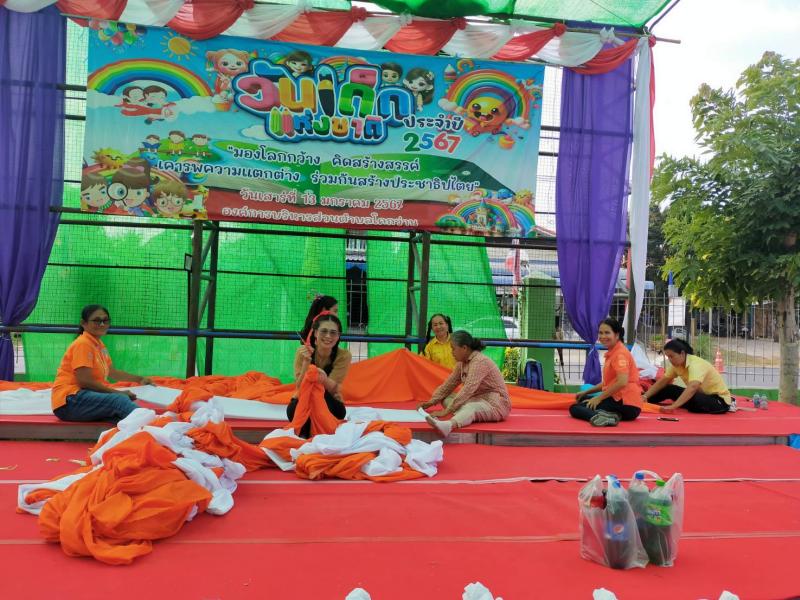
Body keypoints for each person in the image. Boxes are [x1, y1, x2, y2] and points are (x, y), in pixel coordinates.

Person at [51, 305, 153, 423]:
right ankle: (154, 423)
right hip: (69, 401)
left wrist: (140, 379)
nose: (102, 324)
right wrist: (118, 393)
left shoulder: (99, 345)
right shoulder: (83, 344)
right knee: (118, 401)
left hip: (80, 399)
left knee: (120, 418)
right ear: (83, 323)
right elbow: (84, 381)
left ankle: (148, 425)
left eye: (105, 320)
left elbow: (112, 372)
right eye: (97, 320)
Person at [420, 330, 510, 437]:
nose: (451, 352)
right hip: (475, 399)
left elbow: (468, 389)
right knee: (446, 397)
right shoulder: (461, 363)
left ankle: (448, 425)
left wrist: (446, 411)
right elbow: (448, 385)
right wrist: (430, 402)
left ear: (464, 348)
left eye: (453, 349)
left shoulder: (479, 362)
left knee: (470, 408)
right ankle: (464, 414)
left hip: (494, 404)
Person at [570, 318, 643, 427]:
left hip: (626, 404)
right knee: (583, 399)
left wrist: (599, 398)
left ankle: (600, 417)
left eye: (607, 333)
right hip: (623, 403)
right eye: (600, 333)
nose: (603, 336)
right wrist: (586, 392)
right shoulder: (613, 352)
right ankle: (611, 414)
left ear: (616, 335)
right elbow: (607, 383)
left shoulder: (619, 354)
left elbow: (622, 382)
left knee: (575, 408)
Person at [288, 313, 351, 438]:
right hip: (304, 398)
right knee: (293, 410)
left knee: (337, 411)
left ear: (338, 336)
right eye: (324, 331)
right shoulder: (302, 352)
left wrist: (322, 378)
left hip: (330, 402)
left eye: (333, 333)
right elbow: (299, 386)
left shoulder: (344, 355)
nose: (328, 336)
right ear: (315, 333)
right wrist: (306, 363)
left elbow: (334, 388)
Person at [643, 339, 732, 414]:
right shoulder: (676, 366)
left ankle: (685, 404)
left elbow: (693, 387)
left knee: (695, 399)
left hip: (719, 401)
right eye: (668, 357)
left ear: (682, 353)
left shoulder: (696, 364)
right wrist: (645, 396)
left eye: (671, 356)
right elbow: (662, 381)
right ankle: (639, 401)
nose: (670, 360)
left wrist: (673, 406)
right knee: (669, 388)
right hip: (701, 395)